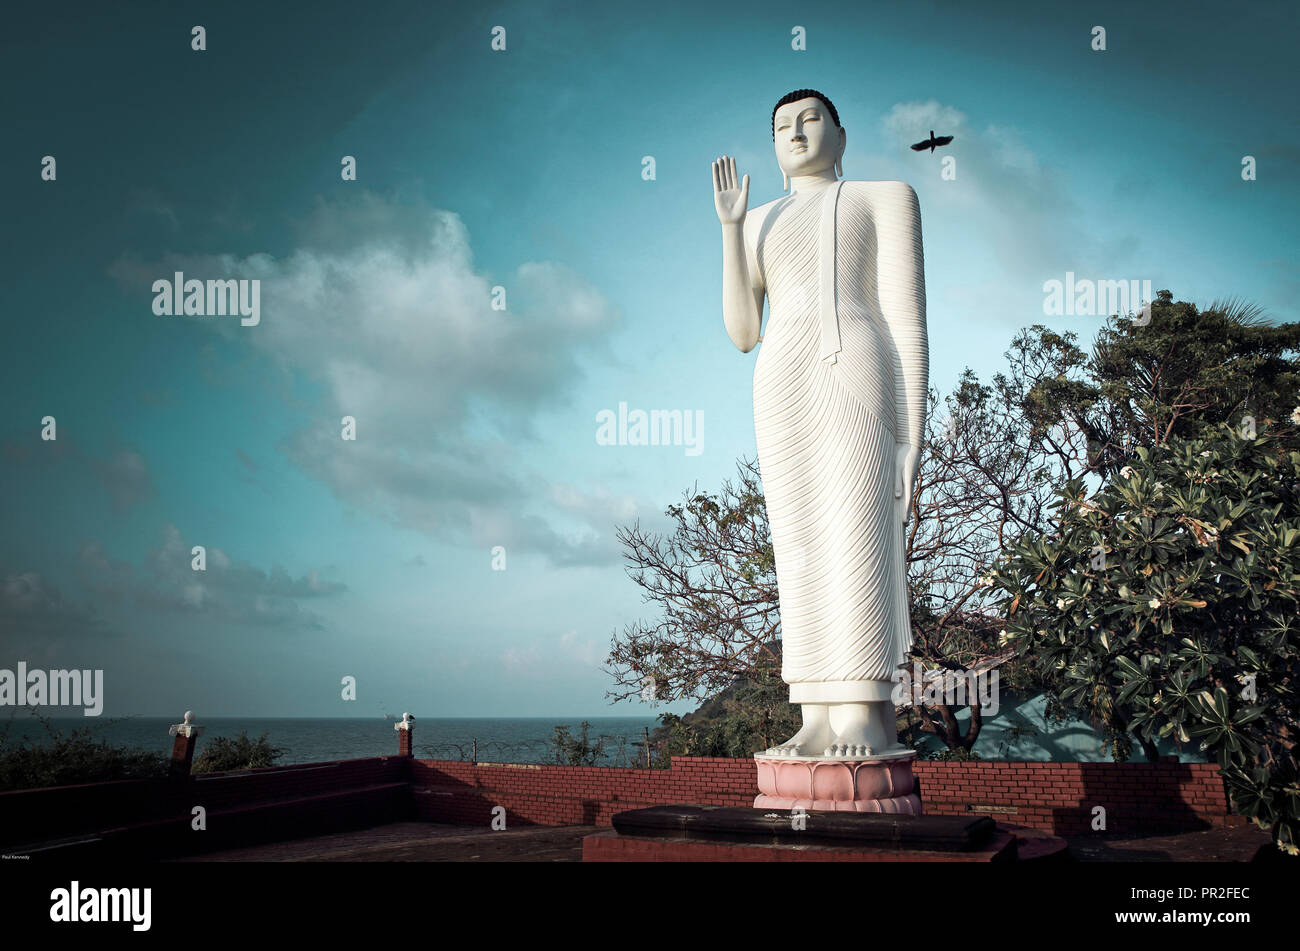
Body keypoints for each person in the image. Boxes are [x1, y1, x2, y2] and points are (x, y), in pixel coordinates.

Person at [711, 89, 928, 758]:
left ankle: (862, 707)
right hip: (782, 379)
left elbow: (907, 319)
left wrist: (911, 437)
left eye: (810, 121)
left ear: (841, 134)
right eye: (783, 126)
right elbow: (743, 333)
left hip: (857, 365)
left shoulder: (884, 197)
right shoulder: (757, 220)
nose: (797, 133)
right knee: (799, 542)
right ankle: (815, 710)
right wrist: (730, 229)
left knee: (857, 529)